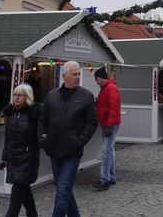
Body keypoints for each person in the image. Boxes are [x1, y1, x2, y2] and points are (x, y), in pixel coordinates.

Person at [39, 61, 98, 217]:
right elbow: (42, 121)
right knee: (63, 189)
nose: (78, 77)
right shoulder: (52, 96)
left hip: (72, 153)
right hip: (54, 150)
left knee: (63, 191)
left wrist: (80, 141)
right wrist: (42, 140)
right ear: (64, 76)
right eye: (74, 74)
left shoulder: (86, 96)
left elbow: (92, 122)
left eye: (79, 74)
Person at [0, 84, 40, 217]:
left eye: (20, 95)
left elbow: (39, 136)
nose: (16, 98)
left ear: (27, 97)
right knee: (24, 189)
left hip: (28, 158)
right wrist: (4, 156)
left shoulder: (34, 113)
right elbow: (7, 137)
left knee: (17, 191)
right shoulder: (10, 112)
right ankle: (33, 214)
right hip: (13, 157)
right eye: (14, 95)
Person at [92, 66, 121, 191]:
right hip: (109, 123)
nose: (96, 82)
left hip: (110, 124)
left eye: (96, 79)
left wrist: (108, 125)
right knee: (109, 150)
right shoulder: (107, 88)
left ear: (100, 78)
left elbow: (113, 108)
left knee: (106, 151)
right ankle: (111, 177)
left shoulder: (110, 88)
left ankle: (105, 180)